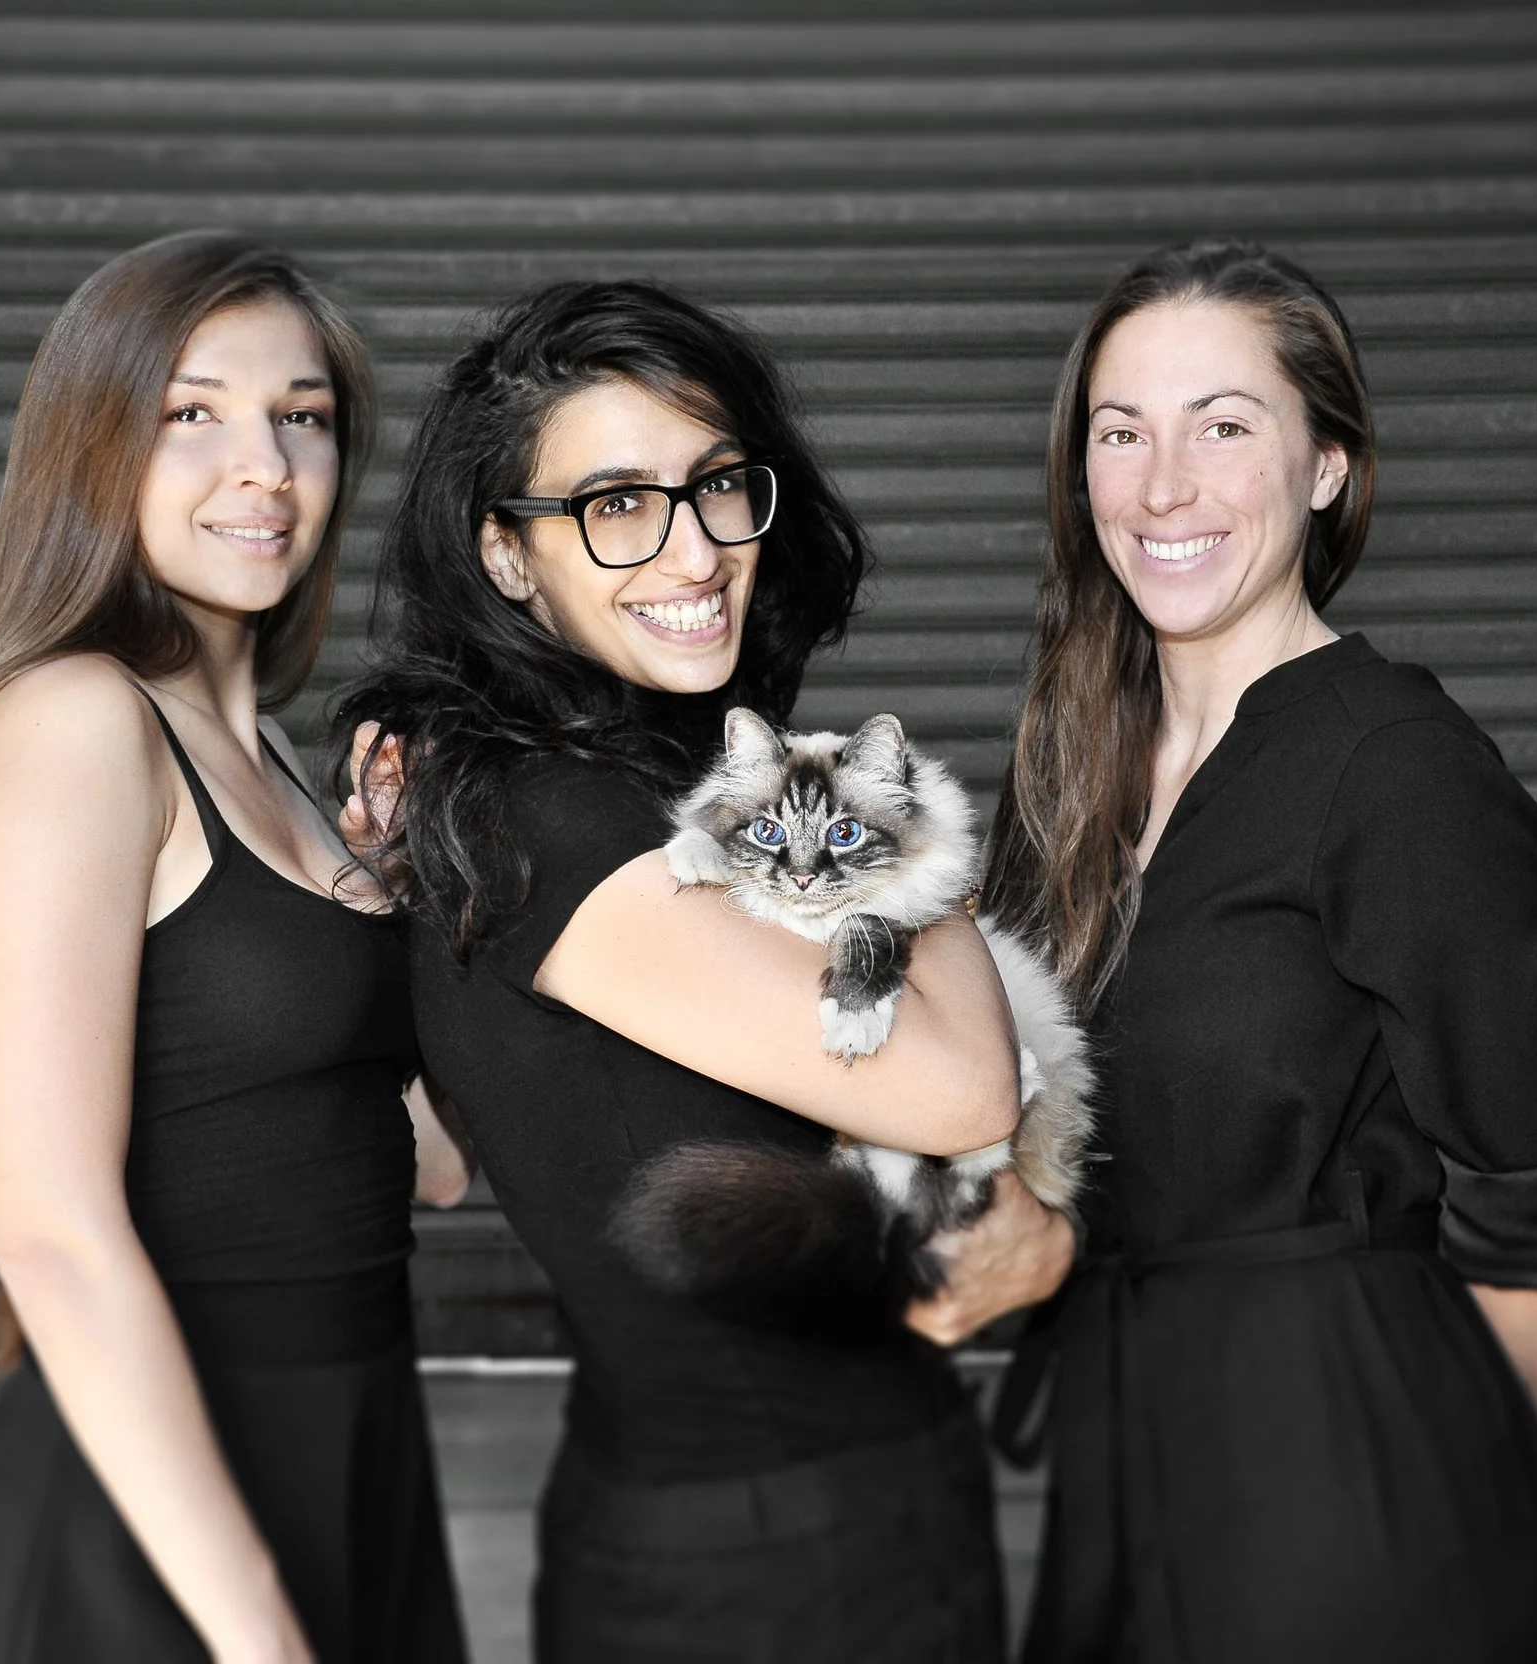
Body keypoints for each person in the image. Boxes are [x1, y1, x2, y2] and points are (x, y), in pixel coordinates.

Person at [336, 279, 1060, 1663]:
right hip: (783, 1558)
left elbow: (448, 1154)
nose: (694, 551)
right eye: (615, 505)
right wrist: (912, 859)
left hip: (743, 1506)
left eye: (718, 486)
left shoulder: (584, 783)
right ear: (505, 555)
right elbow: (966, 1086)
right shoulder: (554, 820)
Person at [969, 239, 1537, 1662]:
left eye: (1225, 427)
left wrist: (1454, 1493)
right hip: (1123, 1451)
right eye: (1120, 432)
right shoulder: (1068, 770)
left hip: (1351, 1475)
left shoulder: (1401, 768)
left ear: (1327, 466)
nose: (1162, 488)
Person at [0, 231, 466, 1663]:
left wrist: (418, 897)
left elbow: (434, 1166)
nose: (265, 463)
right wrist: (257, 1636)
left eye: (304, 416)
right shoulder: (72, 723)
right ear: (93, 443)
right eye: (192, 412)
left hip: (354, 1452)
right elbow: (55, 1234)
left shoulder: (279, 758)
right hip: (156, 1521)